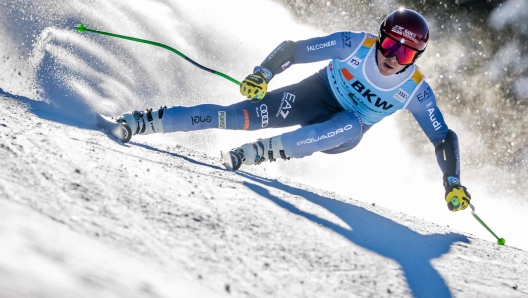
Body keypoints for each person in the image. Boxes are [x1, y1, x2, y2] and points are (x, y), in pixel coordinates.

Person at [115, 8, 471, 212]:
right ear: (380, 37)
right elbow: (293, 49)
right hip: (312, 95)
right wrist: (262, 74)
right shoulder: (354, 45)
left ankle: (262, 153)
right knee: (234, 116)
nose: (393, 58)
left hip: (342, 131)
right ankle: (145, 122)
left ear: (416, 58)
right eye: (391, 45)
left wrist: (451, 181)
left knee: (351, 124)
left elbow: (442, 137)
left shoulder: (415, 90)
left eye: (405, 54)